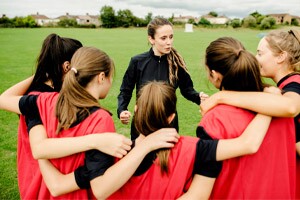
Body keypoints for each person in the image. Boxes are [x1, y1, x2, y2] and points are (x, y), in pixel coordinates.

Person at [30, 81, 273, 199]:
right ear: (172, 116)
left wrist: (37, 135)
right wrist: (270, 103)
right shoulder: (195, 149)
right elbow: (248, 143)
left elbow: (58, 185)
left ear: (136, 108)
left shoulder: (111, 150)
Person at [0, 47, 180, 199]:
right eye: (111, 77)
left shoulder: (43, 101)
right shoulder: (100, 120)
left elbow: (4, 101)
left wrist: (42, 72)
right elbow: (100, 188)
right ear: (102, 77)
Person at [200, 29, 300, 199]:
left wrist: (222, 96)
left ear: (281, 57)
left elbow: (290, 107)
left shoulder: (293, 86)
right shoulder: (277, 93)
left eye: (260, 53)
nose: (255, 58)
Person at [13, 33, 84, 199]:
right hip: (42, 177)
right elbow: (40, 148)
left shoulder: (50, 91)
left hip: (49, 174)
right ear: (67, 67)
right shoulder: (39, 98)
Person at [117, 17, 207, 139]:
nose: (169, 42)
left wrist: (199, 97)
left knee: (167, 158)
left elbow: (187, 90)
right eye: (163, 38)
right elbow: (125, 91)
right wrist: (122, 110)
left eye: (171, 37)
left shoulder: (177, 63)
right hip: (142, 124)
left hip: (168, 123)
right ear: (151, 39)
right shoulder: (137, 62)